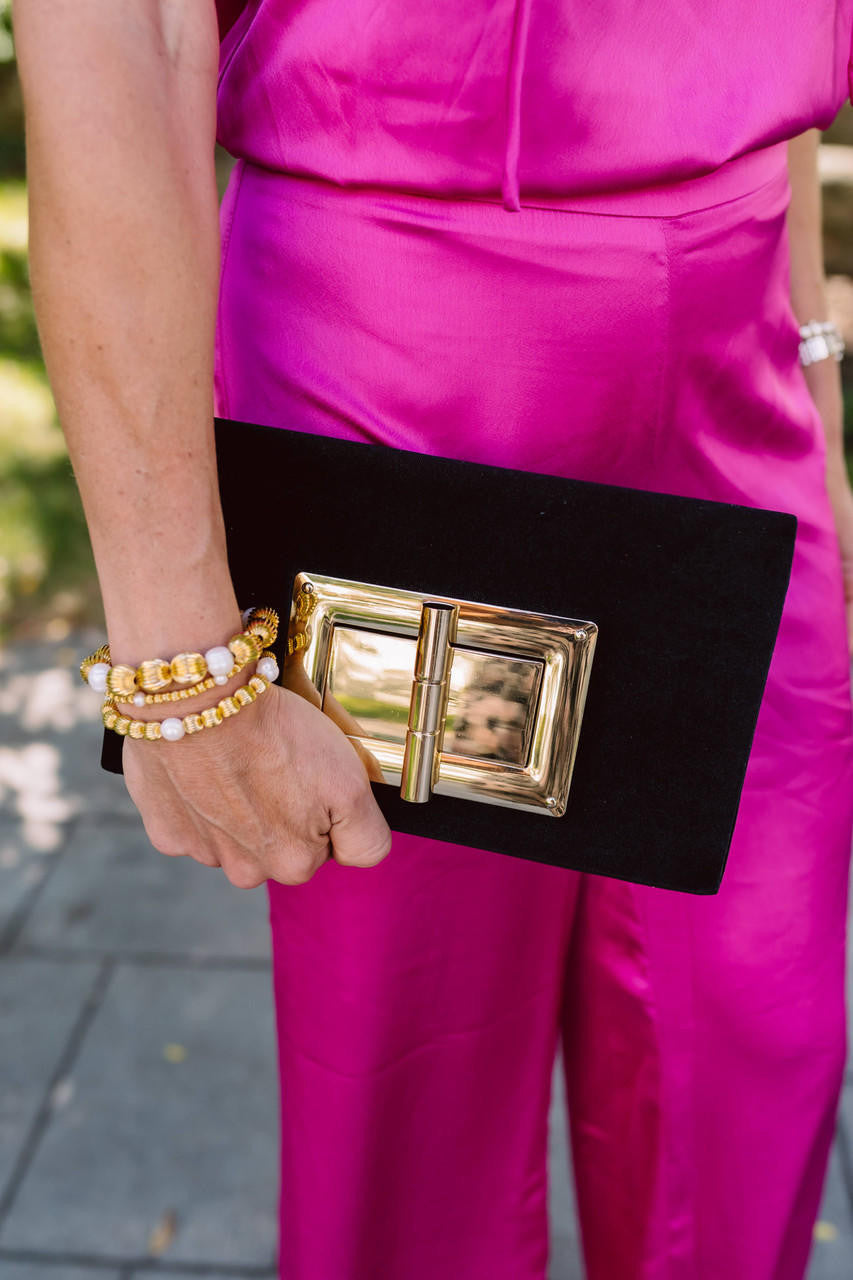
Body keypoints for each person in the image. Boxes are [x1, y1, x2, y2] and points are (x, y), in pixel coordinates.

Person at [14, 3, 853, 1277]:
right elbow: (126, 29)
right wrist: (175, 644)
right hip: (393, 374)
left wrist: (816, 377)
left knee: (751, 1047)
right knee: (410, 1097)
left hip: (738, 356)